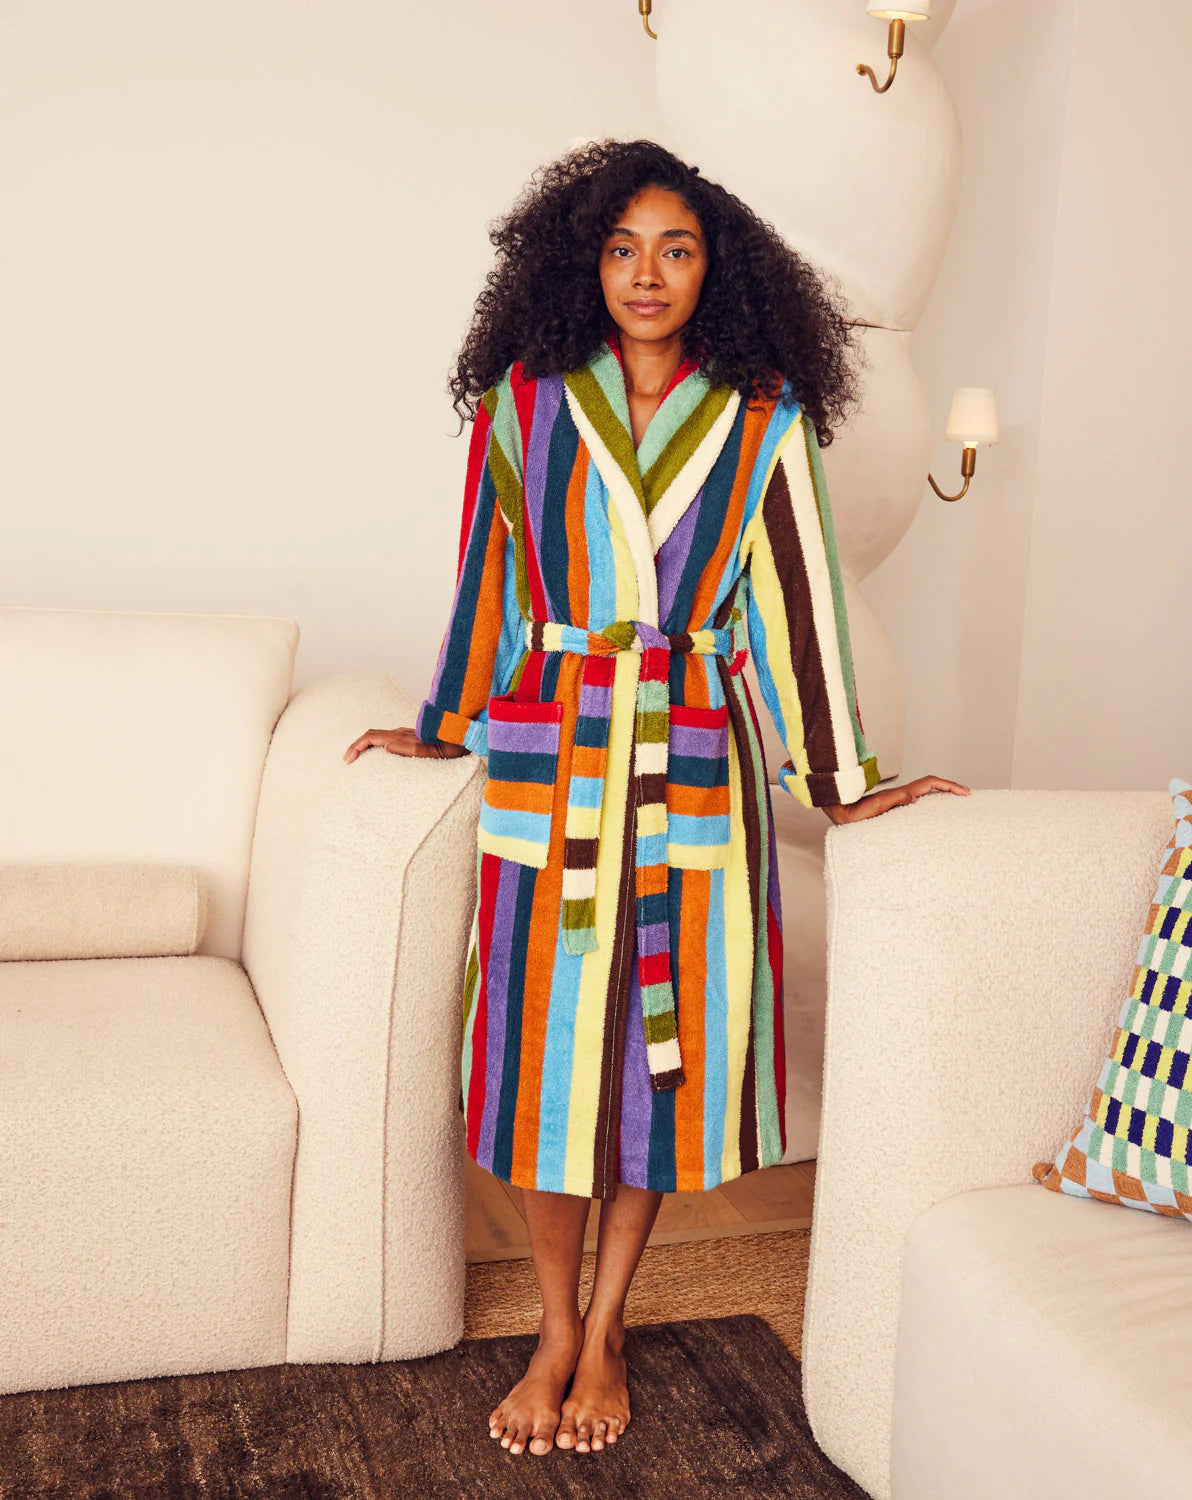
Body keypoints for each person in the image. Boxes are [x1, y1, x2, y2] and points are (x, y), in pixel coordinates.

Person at [344, 138, 970, 1460]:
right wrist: (442, 724)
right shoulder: (525, 402)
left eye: (677, 249)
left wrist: (846, 785)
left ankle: (609, 1322)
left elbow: (794, 598)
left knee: (654, 1057)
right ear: (586, 258)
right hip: (551, 753)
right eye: (624, 247)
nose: (647, 273)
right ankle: (551, 1329)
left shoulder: (761, 412)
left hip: (691, 758)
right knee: (541, 1050)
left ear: (715, 270)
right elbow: (491, 585)